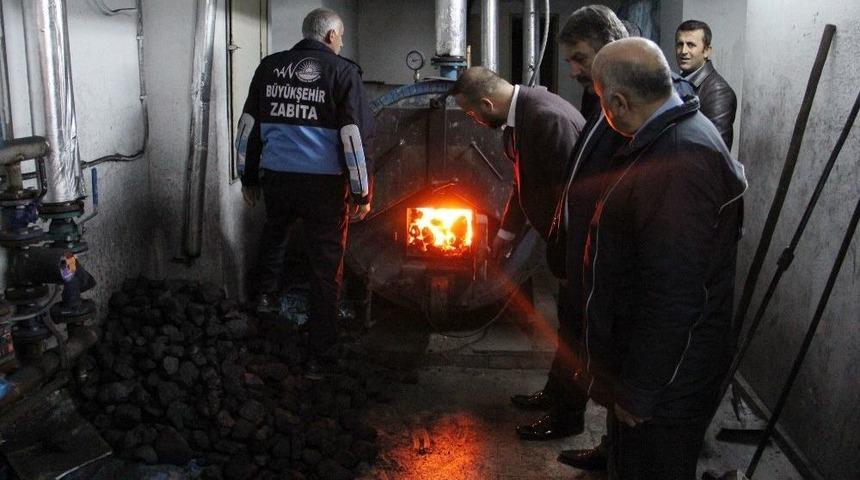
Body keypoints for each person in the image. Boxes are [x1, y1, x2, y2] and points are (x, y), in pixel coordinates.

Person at [583, 37, 746, 479]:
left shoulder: (679, 159)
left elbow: (673, 294)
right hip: (658, 373)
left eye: (601, 101)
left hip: (668, 385)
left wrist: (639, 390)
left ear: (618, 100)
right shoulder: (668, 135)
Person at [450, 67, 587, 440]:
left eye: (472, 114)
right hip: (560, 241)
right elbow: (522, 183)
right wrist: (506, 234)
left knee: (578, 332)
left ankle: (568, 418)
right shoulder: (518, 120)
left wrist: (563, 258)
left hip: (576, 246)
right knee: (568, 327)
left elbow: (573, 198)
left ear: (487, 103)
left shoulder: (547, 118)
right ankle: (555, 394)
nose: (475, 121)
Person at [236, 8, 373, 376]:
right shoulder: (344, 72)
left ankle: (262, 312)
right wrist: (361, 192)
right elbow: (353, 138)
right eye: (340, 36)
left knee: (275, 235)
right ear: (329, 36)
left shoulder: (269, 67)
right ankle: (320, 355)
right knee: (326, 265)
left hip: (278, 177)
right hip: (324, 187)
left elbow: (247, 126)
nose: (341, 43)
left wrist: (248, 177)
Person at [675, 19, 738, 148]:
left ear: (707, 51)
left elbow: (714, 151)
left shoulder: (719, 93)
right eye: (680, 44)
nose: (683, 51)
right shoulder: (677, 83)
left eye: (691, 45)